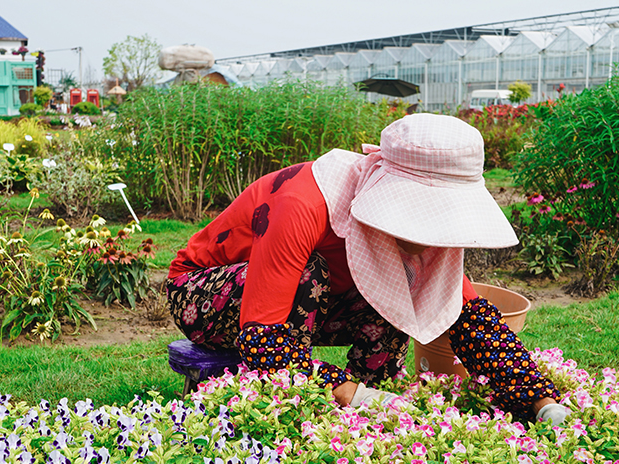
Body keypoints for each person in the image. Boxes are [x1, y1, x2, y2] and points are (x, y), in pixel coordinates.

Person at [166, 113, 569, 424]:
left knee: (401, 286)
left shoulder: (426, 243)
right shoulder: (303, 203)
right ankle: (324, 402)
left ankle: (371, 402)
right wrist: (344, 391)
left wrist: (541, 402)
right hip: (206, 297)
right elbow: (263, 335)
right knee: (312, 272)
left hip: (312, 309)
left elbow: (471, 321)